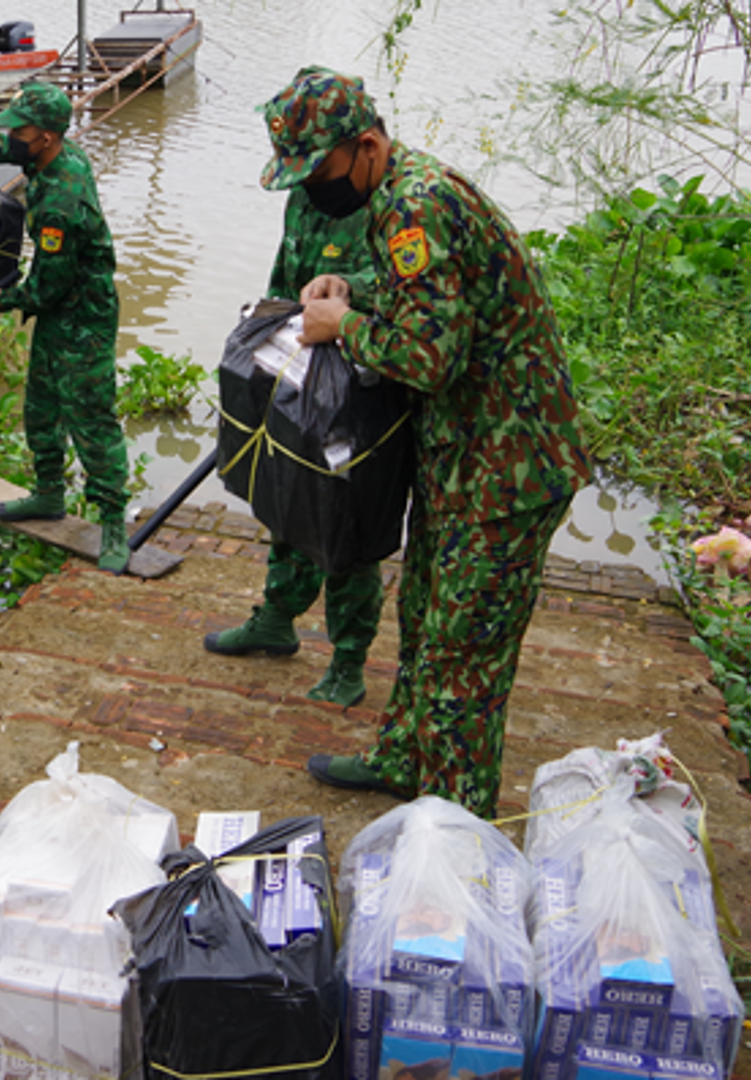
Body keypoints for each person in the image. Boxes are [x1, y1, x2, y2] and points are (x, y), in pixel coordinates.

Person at [264, 67, 593, 817]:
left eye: (319, 169)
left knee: (464, 657)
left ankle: (454, 828)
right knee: (425, 619)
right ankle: (403, 757)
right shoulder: (399, 197)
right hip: (462, 456)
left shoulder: (415, 207)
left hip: (508, 465)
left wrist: (341, 326)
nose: (313, 187)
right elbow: (436, 302)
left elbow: (427, 358)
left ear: (367, 145)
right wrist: (350, 290)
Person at [201, 76, 393, 708]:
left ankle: (348, 658)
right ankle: (277, 618)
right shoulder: (309, 196)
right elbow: (285, 276)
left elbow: (404, 289)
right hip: (302, 372)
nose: (312, 180)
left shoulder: (388, 199)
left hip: (363, 383)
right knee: (285, 495)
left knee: (347, 521)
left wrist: (345, 302)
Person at [0, 82, 131, 573]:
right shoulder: (51, 155)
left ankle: (113, 520)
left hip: (83, 314)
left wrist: (4, 300)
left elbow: (47, 287)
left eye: (21, 129)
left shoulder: (60, 201)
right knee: (41, 405)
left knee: (90, 416)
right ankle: (49, 494)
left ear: (45, 137)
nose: (12, 136)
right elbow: (10, 146)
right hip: (58, 310)